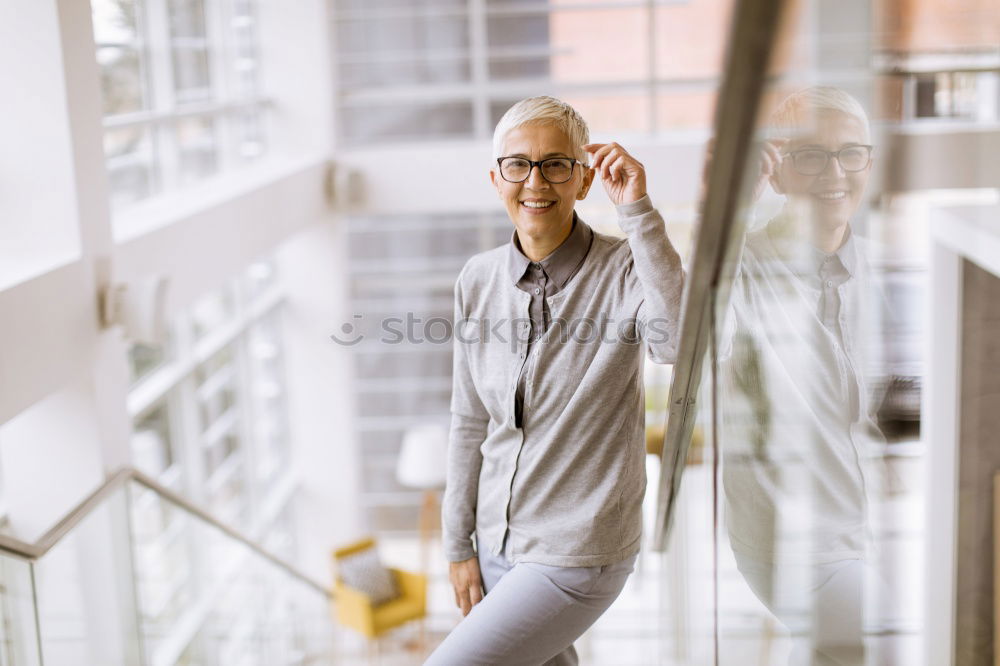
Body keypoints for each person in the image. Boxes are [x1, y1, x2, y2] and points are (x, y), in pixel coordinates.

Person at [424, 96, 685, 665]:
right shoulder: (477, 278)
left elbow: (678, 342)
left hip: (579, 551)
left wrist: (638, 209)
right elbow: (469, 420)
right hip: (496, 544)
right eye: (518, 164)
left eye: (556, 164)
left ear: (583, 179)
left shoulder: (625, 268)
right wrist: (458, 543)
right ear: (497, 179)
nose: (535, 181)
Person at [719, 86, 891, 665]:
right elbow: (685, 330)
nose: (835, 173)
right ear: (779, 169)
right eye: (812, 155)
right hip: (792, 540)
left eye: (851, 154)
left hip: (868, 532)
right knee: (882, 645)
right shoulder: (742, 266)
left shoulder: (879, 269)